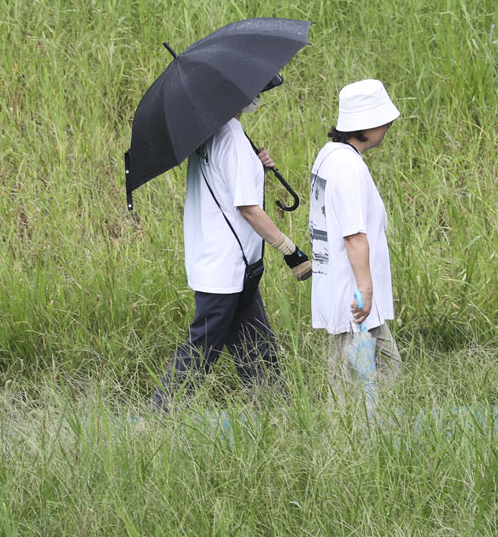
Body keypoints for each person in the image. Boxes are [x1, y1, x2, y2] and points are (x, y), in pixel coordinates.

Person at [152, 84, 312, 407]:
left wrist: (256, 166)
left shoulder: (210, 135)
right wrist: (290, 251)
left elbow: (227, 188)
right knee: (202, 351)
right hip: (226, 269)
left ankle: (275, 417)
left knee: (258, 349)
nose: (258, 95)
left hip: (234, 269)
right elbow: (248, 209)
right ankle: (157, 416)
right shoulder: (234, 140)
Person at [310, 79, 402, 393]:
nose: (388, 128)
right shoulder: (349, 167)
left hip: (344, 289)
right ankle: (351, 440)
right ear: (369, 124)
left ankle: (383, 436)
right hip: (353, 297)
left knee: (389, 372)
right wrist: (365, 290)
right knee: (350, 388)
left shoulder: (329, 154)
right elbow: (353, 234)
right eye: (385, 123)